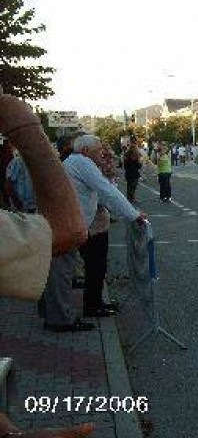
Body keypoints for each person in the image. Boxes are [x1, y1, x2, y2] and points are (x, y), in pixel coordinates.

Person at [40, 135, 147, 332]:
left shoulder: (77, 162)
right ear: (86, 151)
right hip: (67, 225)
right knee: (61, 273)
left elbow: (100, 194)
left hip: (69, 223)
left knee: (62, 272)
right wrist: (133, 215)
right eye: (99, 150)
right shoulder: (82, 162)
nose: (103, 153)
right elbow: (106, 190)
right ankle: (60, 320)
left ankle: (57, 314)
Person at [0, 96, 87, 301]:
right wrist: (23, 123)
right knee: (56, 270)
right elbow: (68, 230)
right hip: (36, 213)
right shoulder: (22, 159)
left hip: (29, 212)